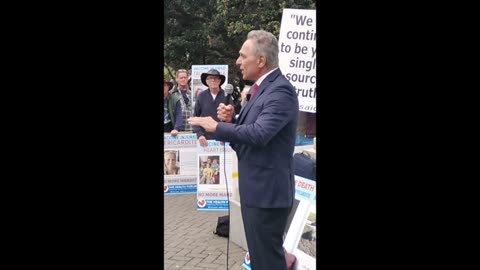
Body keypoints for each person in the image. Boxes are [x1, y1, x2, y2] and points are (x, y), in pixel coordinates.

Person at [188, 30, 298, 270]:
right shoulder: (262, 89)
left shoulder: (280, 90)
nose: (237, 61)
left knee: (269, 262)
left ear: (260, 60)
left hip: (267, 195)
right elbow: (251, 134)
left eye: (242, 56)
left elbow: (259, 134)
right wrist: (232, 122)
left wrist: (216, 126)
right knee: (261, 260)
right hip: (256, 192)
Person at [193, 69, 232, 146]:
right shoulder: (201, 96)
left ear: (219, 81)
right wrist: (200, 135)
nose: (213, 80)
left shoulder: (227, 96)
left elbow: (231, 117)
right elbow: (195, 118)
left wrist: (226, 135)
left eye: (216, 78)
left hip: (223, 140)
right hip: (205, 140)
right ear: (206, 81)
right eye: (210, 78)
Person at [168, 69, 193, 136]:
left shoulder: (193, 93)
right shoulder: (172, 94)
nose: (183, 79)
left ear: (188, 79)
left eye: (185, 77)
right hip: (178, 130)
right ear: (177, 79)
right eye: (181, 78)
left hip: (193, 129)